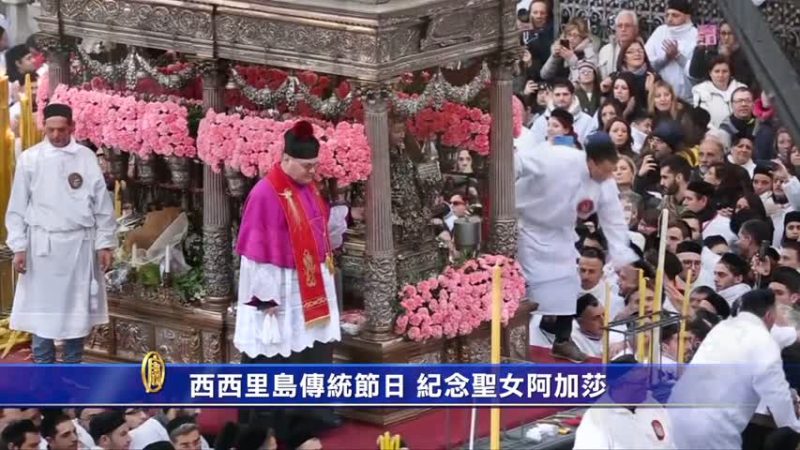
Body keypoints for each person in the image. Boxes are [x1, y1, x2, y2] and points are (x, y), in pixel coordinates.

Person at [234, 121, 346, 434]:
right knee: (275, 349)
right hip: (277, 285)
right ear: (286, 160)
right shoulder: (265, 193)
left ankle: (310, 416)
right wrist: (264, 297)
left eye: (315, 165)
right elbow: (256, 252)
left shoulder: (307, 186)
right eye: (307, 166)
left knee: (311, 348)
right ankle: (269, 422)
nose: (313, 172)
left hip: (308, 280)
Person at [5, 104, 116, 364]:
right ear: (43, 127)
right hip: (43, 247)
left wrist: (105, 244)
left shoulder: (85, 158)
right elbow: (17, 207)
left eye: (62, 130)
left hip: (79, 247)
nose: (56, 135)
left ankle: (72, 370)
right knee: (43, 315)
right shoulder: (30, 159)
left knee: (76, 314)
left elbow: (102, 206)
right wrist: (19, 247)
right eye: (51, 129)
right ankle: (44, 374)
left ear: (72, 127)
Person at [516, 132, 637, 362]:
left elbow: (613, 221)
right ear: (591, 161)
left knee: (569, 282)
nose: (609, 175)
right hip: (525, 227)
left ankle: (562, 340)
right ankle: (513, 342)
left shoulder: (606, 183)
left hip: (561, 233)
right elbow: (518, 163)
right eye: (605, 169)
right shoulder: (557, 157)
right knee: (524, 289)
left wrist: (623, 258)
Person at [670, 289, 800, 449]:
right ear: (769, 316)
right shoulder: (763, 340)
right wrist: (794, 429)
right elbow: (777, 394)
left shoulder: (722, 329)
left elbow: (789, 334)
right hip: (713, 428)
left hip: (677, 418)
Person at [573, 355, 676, 449]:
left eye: (646, 381)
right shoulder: (596, 420)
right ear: (618, 384)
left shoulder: (652, 405)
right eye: (639, 383)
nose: (646, 388)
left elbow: (670, 444)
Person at [644, 0, 698, 102]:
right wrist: (666, 58)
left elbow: (696, 73)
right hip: (661, 98)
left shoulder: (695, 35)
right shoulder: (660, 32)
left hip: (687, 98)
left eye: (675, 15)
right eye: (667, 15)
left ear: (687, 17)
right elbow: (647, 63)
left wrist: (677, 56)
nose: (669, 19)